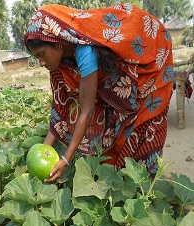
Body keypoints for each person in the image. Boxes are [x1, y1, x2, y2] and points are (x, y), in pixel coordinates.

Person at [24, 3, 174, 182]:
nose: (41, 62)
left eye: (42, 54)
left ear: (58, 44)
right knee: (112, 138)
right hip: (120, 79)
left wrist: (65, 159)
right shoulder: (58, 62)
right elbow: (61, 107)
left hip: (150, 61)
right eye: (36, 57)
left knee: (141, 127)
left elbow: (86, 111)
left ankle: (145, 191)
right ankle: (117, 184)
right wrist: (42, 152)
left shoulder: (85, 51)